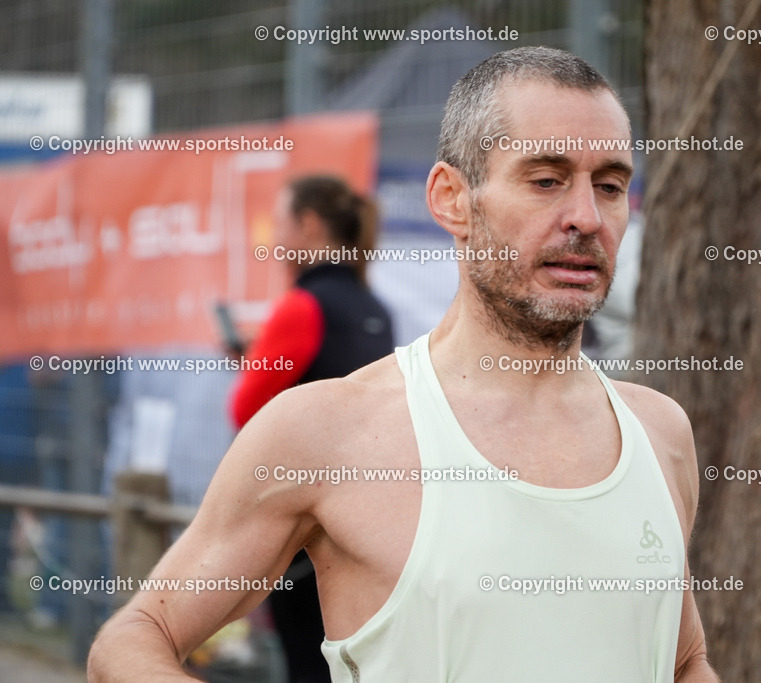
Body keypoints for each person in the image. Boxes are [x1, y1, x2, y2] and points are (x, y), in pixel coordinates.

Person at [88, 46, 717, 682]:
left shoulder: (661, 434)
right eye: (546, 180)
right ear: (451, 199)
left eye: (609, 186)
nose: (586, 217)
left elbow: (684, 659)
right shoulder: (327, 433)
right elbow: (133, 641)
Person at [229, 175, 394, 683]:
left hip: (305, 527)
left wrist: (250, 361)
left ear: (308, 225)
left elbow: (245, 411)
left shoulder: (303, 306)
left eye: (280, 223)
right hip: (370, 521)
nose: (274, 240)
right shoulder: (374, 309)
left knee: (306, 660)